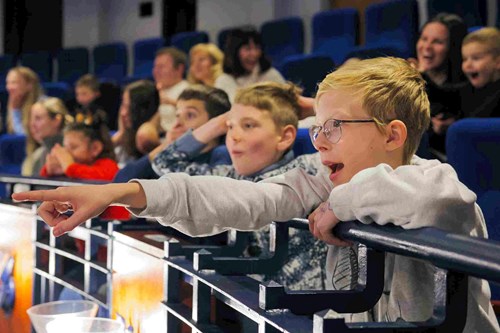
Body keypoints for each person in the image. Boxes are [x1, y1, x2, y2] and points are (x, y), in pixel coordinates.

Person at [12, 57, 500, 331]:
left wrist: (339, 205)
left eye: (334, 127)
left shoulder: (433, 178)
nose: (321, 139)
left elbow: (434, 202)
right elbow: (240, 198)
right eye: (318, 126)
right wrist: (121, 192)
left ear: (393, 136)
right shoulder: (320, 174)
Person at [152, 81, 327, 289]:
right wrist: (221, 121)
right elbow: (164, 162)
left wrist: (316, 106)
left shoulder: (309, 171)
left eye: (249, 125)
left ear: (286, 137)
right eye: (230, 127)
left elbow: (368, 128)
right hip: (252, 302)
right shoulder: (230, 176)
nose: (234, 136)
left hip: (309, 309)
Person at [113, 85, 231, 182]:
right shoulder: (175, 157)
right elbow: (120, 181)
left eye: (190, 115)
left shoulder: (221, 153)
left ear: (214, 123)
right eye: (177, 116)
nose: (177, 124)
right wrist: (169, 146)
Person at [408, 13, 468, 157]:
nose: (427, 47)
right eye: (423, 39)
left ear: (453, 47)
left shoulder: (469, 85)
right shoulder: (407, 81)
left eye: (437, 42)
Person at [215, 27, 285, 102]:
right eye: (247, 49)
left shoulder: (271, 75)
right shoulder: (224, 80)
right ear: (234, 52)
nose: (254, 54)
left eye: (257, 48)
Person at [40, 115, 117, 181]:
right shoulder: (70, 167)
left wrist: (70, 167)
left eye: (73, 147)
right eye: (65, 147)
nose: (66, 153)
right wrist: (49, 170)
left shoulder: (108, 165)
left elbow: (106, 178)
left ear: (95, 148)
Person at [112, 80, 160, 166]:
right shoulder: (124, 141)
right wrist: (121, 134)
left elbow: (144, 136)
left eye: (130, 107)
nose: (123, 113)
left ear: (144, 110)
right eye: (123, 105)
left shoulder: (153, 138)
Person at [22, 98, 72, 176]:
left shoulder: (73, 153)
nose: (32, 124)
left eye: (38, 118)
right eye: (31, 119)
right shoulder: (36, 156)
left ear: (56, 120)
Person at [459, 27, 500, 118]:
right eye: (464, 59)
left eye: (476, 58)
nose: (468, 65)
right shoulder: (467, 90)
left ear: (498, 62)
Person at [4, 66, 44, 135]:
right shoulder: (16, 102)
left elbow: (27, 137)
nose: (9, 87)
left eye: (14, 83)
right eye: (7, 83)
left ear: (29, 85)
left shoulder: (43, 105)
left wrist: (15, 111)